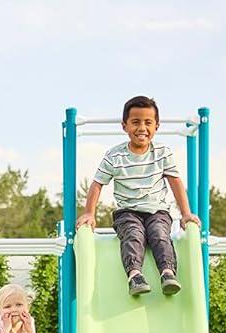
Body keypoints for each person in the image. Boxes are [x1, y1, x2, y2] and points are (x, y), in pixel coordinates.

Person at [77, 95, 199, 296]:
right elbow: (97, 183)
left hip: (157, 211)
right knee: (133, 236)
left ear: (156, 126)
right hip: (127, 212)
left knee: (160, 234)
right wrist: (89, 213)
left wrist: (186, 214)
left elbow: (175, 182)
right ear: (124, 126)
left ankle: (167, 273)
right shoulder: (115, 155)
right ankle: (135, 275)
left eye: (148, 122)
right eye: (135, 122)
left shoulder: (162, 152)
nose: (142, 128)